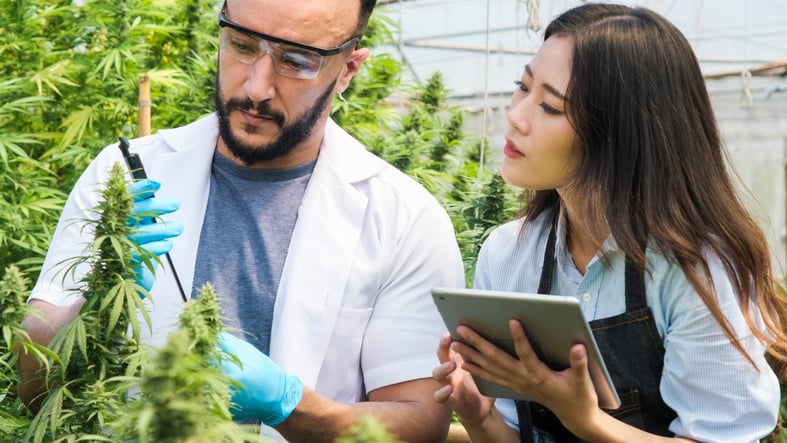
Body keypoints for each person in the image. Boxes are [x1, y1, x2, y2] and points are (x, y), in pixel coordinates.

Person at [18, 0, 465, 441]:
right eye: (242, 45)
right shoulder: (123, 173)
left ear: (348, 68)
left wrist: (292, 405)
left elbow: (421, 424)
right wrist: (98, 300)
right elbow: (32, 386)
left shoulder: (406, 219)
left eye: (296, 60)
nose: (256, 87)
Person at [432, 3, 787, 443]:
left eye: (548, 105)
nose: (516, 115)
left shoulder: (696, 268)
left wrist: (586, 419)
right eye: (522, 88)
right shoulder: (508, 253)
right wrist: (479, 416)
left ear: (619, 132)